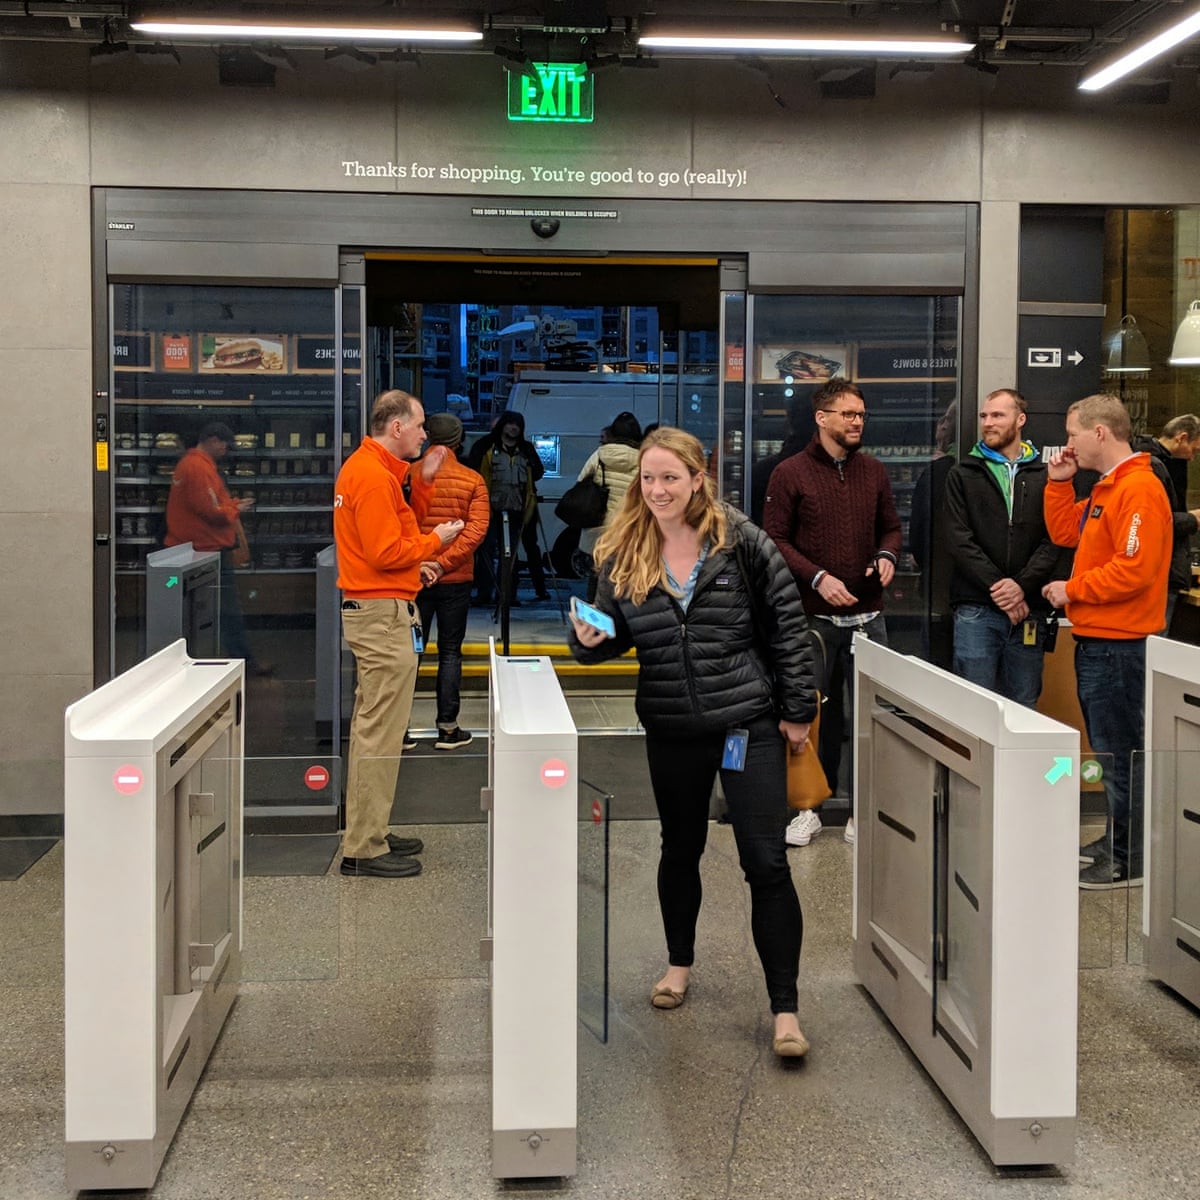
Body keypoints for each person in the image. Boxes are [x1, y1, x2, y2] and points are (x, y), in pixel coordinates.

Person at [568, 427, 818, 1058]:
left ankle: (785, 1009)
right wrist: (587, 642)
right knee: (679, 849)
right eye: (648, 479)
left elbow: (787, 624)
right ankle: (679, 964)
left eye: (670, 478)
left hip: (746, 724)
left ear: (697, 478)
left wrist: (796, 710)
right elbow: (612, 635)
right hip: (673, 726)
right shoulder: (620, 549)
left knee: (765, 862)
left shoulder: (741, 541)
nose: (657, 490)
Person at [762, 378, 901, 847]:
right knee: (813, 716)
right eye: (848, 413)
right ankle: (807, 809)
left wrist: (888, 557)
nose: (857, 421)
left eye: (861, 414)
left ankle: (863, 810)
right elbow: (775, 540)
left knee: (870, 716)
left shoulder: (875, 472)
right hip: (814, 619)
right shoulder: (790, 473)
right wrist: (818, 577)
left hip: (869, 617)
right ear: (822, 418)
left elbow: (891, 529)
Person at [1042, 393, 1172, 890]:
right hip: (1100, 643)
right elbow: (1065, 533)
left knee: (1121, 753)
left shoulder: (1139, 488)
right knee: (1111, 751)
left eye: (1074, 433)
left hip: (1122, 646)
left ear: (1100, 432)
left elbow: (1134, 570)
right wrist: (1058, 484)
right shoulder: (1106, 489)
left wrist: (1071, 590)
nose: (1068, 443)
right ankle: (1119, 839)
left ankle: (1129, 857)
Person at [334, 390, 464, 878]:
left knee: (380, 728)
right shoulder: (369, 477)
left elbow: (387, 547)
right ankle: (363, 847)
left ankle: (373, 831)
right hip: (381, 615)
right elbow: (387, 551)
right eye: (419, 424)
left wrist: (419, 562)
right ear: (396, 428)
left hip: (384, 605)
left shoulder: (377, 473)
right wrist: (437, 541)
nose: (425, 433)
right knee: (378, 730)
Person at [943, 389, 1065, 704]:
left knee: (1024, 706)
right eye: (984, 416)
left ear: (1020, 419)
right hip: (977, 610)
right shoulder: (963, 474)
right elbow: (958, 539)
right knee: (974, 709)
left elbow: (1055, 538)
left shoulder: (1048, 475)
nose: (988, 422)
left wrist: (1021, 587)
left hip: (1028, 610)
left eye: (998, 415)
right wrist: (1001, 588)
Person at [164, 420, 269, 676]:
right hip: (205, 552)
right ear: (212, 440)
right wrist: (236, 508)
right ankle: (243, 662)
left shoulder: (192, 465)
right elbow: (210, 511)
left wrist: (230, 504)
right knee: (228, 611)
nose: (226, 450)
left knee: (190, 610)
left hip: (193, 551)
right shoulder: (198, 468)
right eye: (224, 444)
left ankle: (184, 662)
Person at [414, 413, 489, 750]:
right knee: (449, 652)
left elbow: (397, 526)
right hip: (455, 579)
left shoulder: (409, 476)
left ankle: (399, 729)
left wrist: (423, 564)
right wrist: (443, 566)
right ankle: (447, 728)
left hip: (413, 578)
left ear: (428, 437)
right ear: (459, 441)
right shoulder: (473, 480)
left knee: (408, 654)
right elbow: (475, 533)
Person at [466, 410, 547, 606]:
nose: (514, 428)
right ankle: (484, 592)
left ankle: (507, 594)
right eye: (510, 424)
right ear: (503, 425)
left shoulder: (526, 450)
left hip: (517, 510)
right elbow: (474, 472)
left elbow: (538, 473)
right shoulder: (485, 446)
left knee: (509, 554)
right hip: (488, 510)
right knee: (486, 552)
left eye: (517, 425)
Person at [1132, 413, 1200, 633]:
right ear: (1181, 438)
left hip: (1165, 569)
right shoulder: (1152, 465)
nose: (1193, 457)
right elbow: (1153, 521)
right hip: (1157, 573)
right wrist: (1193, 520)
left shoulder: (1169, 462)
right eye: (1195, 450)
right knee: (1153, 642)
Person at [909, 401, 957, 670]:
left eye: (944, 421)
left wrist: (923, 562)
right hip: (980, 595)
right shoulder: (981, 470)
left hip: (939, 591)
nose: (938, 426)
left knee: (938, 667)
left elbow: (918, 531)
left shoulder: (937, 473)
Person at [575, 410, 642, 600]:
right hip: (629, 527)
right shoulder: (643, 458)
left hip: (599, 525)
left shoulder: (600, 454)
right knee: (625, 578)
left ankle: (595, 623)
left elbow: (581, 481)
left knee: (597, 579)